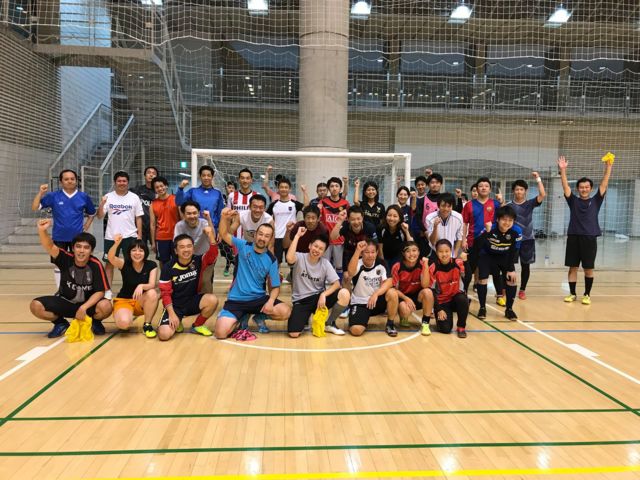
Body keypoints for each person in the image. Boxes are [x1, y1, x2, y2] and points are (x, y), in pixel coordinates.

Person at [215, 208, 291, 340]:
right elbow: (223, 233)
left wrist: (270, 301)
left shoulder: (272, 260)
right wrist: (223, 216)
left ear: (270, 239)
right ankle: (239, 318)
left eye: (267, 236)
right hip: (236, 300)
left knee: (285, 311)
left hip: (258, 300)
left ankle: (259, 316)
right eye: (260, 234)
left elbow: (275, 287)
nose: (262, 238)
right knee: (220, 333)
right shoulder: (243, 245)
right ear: (255, 235)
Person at [30, 220, 112, 337]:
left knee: (106, 306)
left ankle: (94, 322)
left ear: (91, 251)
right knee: (36, 306)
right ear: (73, 248)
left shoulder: (95, 264)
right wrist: (42, 231)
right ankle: (60, 323)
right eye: (78, 247)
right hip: (66, 302)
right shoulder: (65, 258)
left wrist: (84, 307)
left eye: (86, 248)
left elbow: (100, 292)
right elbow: (50, 246)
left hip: (88, 306)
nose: (81, 251)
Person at [558, 154, 612, 304]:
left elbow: (604, 184)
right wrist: (563, 170)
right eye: (581, 187)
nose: (584, 189)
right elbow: (565, 186)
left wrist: (608, 167)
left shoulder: (596, 200)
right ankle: (572, 294)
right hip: (574, 237)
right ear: (578, 189)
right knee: (573, 268)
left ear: (590, 188)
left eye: (587, 187)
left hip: (589, 238)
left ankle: (587, 294)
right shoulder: (573, 200)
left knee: (588, 269)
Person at [31, 169, 96, 287]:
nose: (69, 181)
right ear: (61, 182)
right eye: (66, 179)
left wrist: (87, 225)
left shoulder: (83, 196)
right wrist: (41, 193)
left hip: (77, 239)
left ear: (76, 181)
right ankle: (60, 290)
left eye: (72, 179)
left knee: (78, 264)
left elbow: (92, 213)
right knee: (58, 264)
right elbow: (35, 207)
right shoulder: (53, 196)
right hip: (59, 237)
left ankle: (78, 288)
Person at [285, 228, 351, 337]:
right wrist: (297, 236)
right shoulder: (300, 257)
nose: (317, 250)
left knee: (344, 293)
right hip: (301, 301)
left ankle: (329, 323)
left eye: (321, 249)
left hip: (319, 299)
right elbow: (289, 258)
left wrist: (323, 294)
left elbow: (337, 284)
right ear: (309, 246)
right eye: (315, 246)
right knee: (293, 333)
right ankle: (305, 318)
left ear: (323, 252)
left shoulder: (325, 263)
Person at [157, 229, 219, 340]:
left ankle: (197, 325)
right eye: (182, 247)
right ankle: (177, 321)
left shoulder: (198, 261)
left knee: (212, 300)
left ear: (193, 248)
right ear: (176, 251)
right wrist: (172, 314)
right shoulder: (168, 267)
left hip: (192, 301)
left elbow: (213, 255)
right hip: (175, 306)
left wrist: (211, 236)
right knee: (164, 335)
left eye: (189, 246)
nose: (186, 249)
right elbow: (165, 294)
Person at [97, 171, 144, 299]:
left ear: (127, 182)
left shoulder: (134, 197)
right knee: (109, 263)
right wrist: (102, 204)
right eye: (119, 181)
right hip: (111, 236)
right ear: (115, 182)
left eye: (124, 181)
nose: (122, 183)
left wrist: (139, 235)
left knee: (132, 264)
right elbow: (100, 216)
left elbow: (138, 217)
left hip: (130, 236)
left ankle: (132, 289)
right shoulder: (108, 197)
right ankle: (107, 290)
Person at [475, 206, 522, 320]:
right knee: (482, 279)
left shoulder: (517, 231)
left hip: (505, 256)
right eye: (504, 219)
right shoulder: (490, 227)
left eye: (510, 220)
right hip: (487, 256)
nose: (507, 223)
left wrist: (511, 269)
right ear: (498, 219)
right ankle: (482, 308)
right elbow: (477, 245)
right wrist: (487, 232)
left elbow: (514, 251)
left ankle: (509, 309)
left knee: (512, 280)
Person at [107, 234, 159, 338]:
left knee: (153, 293)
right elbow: (111, 258)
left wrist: (142, 286)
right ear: (129, 252)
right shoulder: (124, 263)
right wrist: (116, 244)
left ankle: (147, 325)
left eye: (141, 250)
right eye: (134, 250)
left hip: (140, 301)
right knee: (124, 324)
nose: (137, 253)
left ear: (145, 252)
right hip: (124, 300)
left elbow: (152, 284)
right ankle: (125, 316)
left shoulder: (151, 265)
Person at [506, 172, 546, 300]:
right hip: (512, 241)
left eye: (521, 189)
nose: (519, 191)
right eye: (517, 189)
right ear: (513, 191)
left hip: (528, 240)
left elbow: (542, 194)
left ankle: (522, 290)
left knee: (525, 266)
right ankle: (508, 288)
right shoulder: (509, 206)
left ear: (525, 191)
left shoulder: (530, 203)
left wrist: (538, 179)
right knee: (508, 265)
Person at [347, 240, 399, 337]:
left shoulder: (381, 263)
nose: (370, 255)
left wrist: (376, 294)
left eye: (373, 252)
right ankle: (359, 319)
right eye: (366, 252)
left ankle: (390, 324)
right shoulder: (357, 263)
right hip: (360, 303)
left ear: (377, 252)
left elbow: (389, 281)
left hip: (377, 301)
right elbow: (350, 272)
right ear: (362, 253)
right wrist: (357, 251)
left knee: (392, 292)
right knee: (356, 330)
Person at [461, 177, 501, 298]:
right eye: (481, 186)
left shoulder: (496, 204)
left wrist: (502, 202)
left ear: (490, 189)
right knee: (469, 269)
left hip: (491, 242)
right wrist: (463, 240)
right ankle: (463, 291)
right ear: (477, 189)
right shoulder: (469, 205)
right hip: (473, 241)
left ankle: (499, 294)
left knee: (494, 269)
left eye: (486, 186)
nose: (483, 188)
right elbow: (464, 223)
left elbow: (502, 220)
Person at [391, 241, 434, 335]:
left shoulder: (422, 265)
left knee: (428, 292)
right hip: (403, 297)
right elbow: (394, 290)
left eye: (414, 250)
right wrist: (406, 298)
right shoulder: (397, 267)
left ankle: (425, 323)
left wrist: (426, 265)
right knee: (405, 311)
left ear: (418, 252)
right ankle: (403, 317)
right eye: (408, 251)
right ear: (403, 253)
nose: (411, 254)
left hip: (418, 296)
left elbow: (425, 285)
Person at [429, 239, 468, 338]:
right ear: (436, 252)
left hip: (455, 299)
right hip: (442, 303)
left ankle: (461, 327)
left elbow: (467, 279)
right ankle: (442, 318)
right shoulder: (433, 267)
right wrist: (438, 309)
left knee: (463, 298)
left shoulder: (458, 263)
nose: (444, 254)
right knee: (445, 329)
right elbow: (432, 291)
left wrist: (466, 262)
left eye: (447, 251)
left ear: (451, 251)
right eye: (441, 251)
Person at [330, 206, 378, 284]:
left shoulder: (370, 227)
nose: (356, 222)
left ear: (362, 217)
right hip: (349, 255)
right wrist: (340, 221)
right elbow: (333, 237)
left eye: (358, 219)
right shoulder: (345, 226)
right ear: (348, 219)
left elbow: (375, 245)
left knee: (365, 278)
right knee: (346, 278)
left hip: (364, 256)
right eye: (352, 219)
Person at [266, 177, 308, 264]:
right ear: (278, 189)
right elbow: (265, 217)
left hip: (291, 237)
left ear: (290, 189)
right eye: (281, 187)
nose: (284, 189)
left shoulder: (294, 204)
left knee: (292, 262)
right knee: (276, 262)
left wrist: (304, 192)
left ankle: (293, 273)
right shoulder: (273, 204)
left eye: (286, 187)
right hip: (277, 237)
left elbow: (306, 207)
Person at [318, 177, 350, 277]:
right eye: (332, 186)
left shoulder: (345, 204)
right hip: (326, 240)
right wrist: (318, 210)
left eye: (337, 186)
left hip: (339, 240)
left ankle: (338, 285)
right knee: (325, 264)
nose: (334, 188)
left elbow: (348, 221)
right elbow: (318, 219)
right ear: (328, 189)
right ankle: (324, 285)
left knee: (339, 266)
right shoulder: (322, 202)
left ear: (340, 188)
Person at [176, 165, 225, 229]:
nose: (206, 178)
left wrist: (219, 229)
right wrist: (181, 188)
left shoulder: (217, 193)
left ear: (212, 177)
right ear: (200, 177)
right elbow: (179, 202)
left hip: (212, 228)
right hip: (195, 228)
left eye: (208, 175)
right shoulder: (193, 191)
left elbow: (220, 213)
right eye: (203, 175)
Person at [149, 176, 179, 267]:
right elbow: (152, 224)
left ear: (166, 186)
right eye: (157, 187)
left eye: (161, 186)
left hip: (176, 236)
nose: (160, 189)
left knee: (177, 261)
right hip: (161, 238)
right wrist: (153, 242)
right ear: (154, 190)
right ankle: (164, 276)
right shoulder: (153, 204)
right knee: (163, 262)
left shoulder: (176, 199)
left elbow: (182, 218)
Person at [425, 193, 464, 262]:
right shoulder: (430, 218)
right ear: (438, 205)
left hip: (450, 254)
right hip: (435, 252)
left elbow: (459, 237)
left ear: (452, 206)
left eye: (449, 206)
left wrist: (455, 253)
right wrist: (435, 227)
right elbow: (433, 241)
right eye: (443, 206)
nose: (446, 209)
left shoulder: (458, 217)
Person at [412, 172, 443, 258]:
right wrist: (425, 231)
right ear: (428, 185)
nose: (435, 184)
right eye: (432, 182)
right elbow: (418, 217)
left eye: (437, 182)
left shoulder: (444, 199)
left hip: (441, 235)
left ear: (441, 184)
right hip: (425, 236)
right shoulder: (422, 200)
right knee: (424, 259)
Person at [377, 205, 412, 270]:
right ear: (386, 216)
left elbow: (411, 244)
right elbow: (380, 248)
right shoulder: (381, 228)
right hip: (385, 256)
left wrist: (406, 231)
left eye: (395, 216)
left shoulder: (403, 228)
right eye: (389, 215)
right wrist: (383, 264)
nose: (391, 219)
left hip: (398, 257)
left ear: (399, 219)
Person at [131, 166, 158, 247]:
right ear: (144, 176)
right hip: (140, 226)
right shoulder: (137, 190)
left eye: (154, 173)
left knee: (157, 250)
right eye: (149, 173)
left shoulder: (159, 192)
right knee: (140, 249)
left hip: (155, 226)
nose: (151, 175)